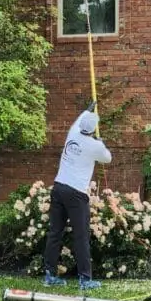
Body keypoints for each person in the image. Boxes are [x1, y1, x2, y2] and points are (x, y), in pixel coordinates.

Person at [44, 102, 112, 291]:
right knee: (81, 236)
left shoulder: (73, 132)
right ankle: (85, 279)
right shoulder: (94, 146)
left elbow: (79, 119)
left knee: (55, 233)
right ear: (93, 129)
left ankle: (49, 275)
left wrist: (88, 108)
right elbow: (108, 158)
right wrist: (100, 141)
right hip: (76, 193)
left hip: (58, 187)